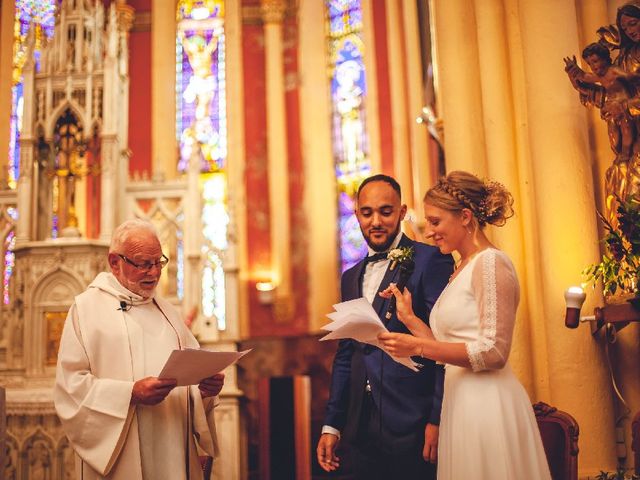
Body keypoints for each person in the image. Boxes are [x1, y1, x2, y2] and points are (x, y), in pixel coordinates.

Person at [378, 171, 551, 480]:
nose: (429, 232)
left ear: (466, 217)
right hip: (460, 401)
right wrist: (409, 319)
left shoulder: (491, 263)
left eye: (435, 221)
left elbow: (494, 351)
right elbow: (449, 348)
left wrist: (416, 346)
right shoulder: (462, 268)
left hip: (487, 403)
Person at [54, 219, 224, 479]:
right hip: (119, 457)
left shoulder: (168, 313)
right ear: (115, 262)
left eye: (158, 262)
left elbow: (190, 381)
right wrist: (129, 393)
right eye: (144, 263)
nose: (154, 273)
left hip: (172, 449)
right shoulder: (86, 309)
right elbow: (70, 387)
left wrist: (203, 392)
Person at [316, 174, 453, 480]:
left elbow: (445, 344)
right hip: (360, 426)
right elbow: (346, 354)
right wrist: (333, 424)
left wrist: (438, 417)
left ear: (402, 212)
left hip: (414, 422)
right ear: (357, 215)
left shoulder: (430, 260)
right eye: (367, 213)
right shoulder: (349, 277)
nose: (375, 221)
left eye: (385, 212)